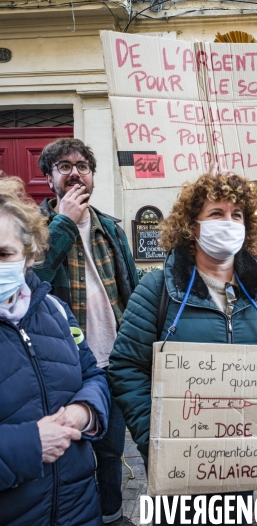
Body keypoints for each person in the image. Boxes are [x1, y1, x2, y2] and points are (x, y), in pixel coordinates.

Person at [108, 172, 257, 525]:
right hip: (178, 470)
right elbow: (127, 367)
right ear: (193, 224)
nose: (229, 222)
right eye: (217, 213)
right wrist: (155, 439)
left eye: (237, 215)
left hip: (240, 464)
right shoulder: (158, 289)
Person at [35, 138, 138, 526]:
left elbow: (128, 288)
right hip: (64, 366)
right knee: (68, 453)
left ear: (93, 176)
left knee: (112, 450)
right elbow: (31, 285)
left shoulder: (110, 227)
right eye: (64, 166)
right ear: (49, 178)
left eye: (83, 165)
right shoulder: (36, 231)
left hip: (113, 361)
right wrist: (62, 224)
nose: (75, 172)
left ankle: (111, 514)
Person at [0, 176, 110, 525]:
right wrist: (29, 445)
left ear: (29, 256)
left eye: (3, 254)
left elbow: (92, 374)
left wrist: (85, 410)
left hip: (78, 510)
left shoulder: (56, 311)